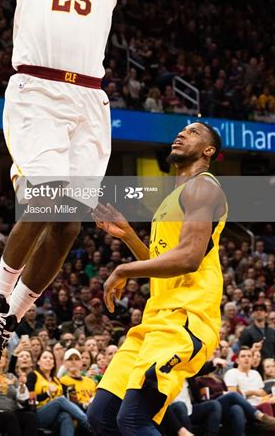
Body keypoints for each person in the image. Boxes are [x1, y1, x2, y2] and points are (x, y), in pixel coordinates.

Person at [0, 0, 150, 380]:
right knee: (47, 197)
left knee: (69, 222)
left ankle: (11, 317)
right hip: (36, 93)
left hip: (89, 100)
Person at [87, 122, 228, 435]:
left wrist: (123, 269)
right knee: (101, 416)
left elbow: (189, 258)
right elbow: (162, 263)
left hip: (186, 319)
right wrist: (129, 237)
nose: (180, 134)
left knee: (133, 420)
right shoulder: (173, 198)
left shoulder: (203, 187)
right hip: (155, 321)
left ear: (208, 150)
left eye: (192, 132)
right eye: (180, 130)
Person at [224, 346, 275, 432]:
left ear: (252, 360)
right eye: (243, 356)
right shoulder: (231, 373)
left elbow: (262, 394)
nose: (247, 359)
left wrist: (269, 398)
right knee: (265, 405)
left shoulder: (255, 373)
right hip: (248, 408)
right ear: (237, 360)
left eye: (249, 356)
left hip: (262, 405)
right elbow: (233, 395)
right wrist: (253, 392)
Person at [26, 350, 90, 435]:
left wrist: (83, 405)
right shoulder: (33, 375)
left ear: (54, 363)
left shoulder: (57, 380)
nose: (48, 360)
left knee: (66, 416)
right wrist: (47, 393)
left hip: (55, 417)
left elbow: (68, 403)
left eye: (51, 358)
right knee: (60, 400)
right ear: (38, 362)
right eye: (45, 357)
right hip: (38, 414)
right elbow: (30, 400)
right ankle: (88, 423)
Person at [0, 350, 38, 436]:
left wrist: (22, 385)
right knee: (10, 416)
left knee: (30, 416)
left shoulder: (11, 376)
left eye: (2, 356)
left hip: (12, 411)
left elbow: (21, 399)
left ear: (6, 360)